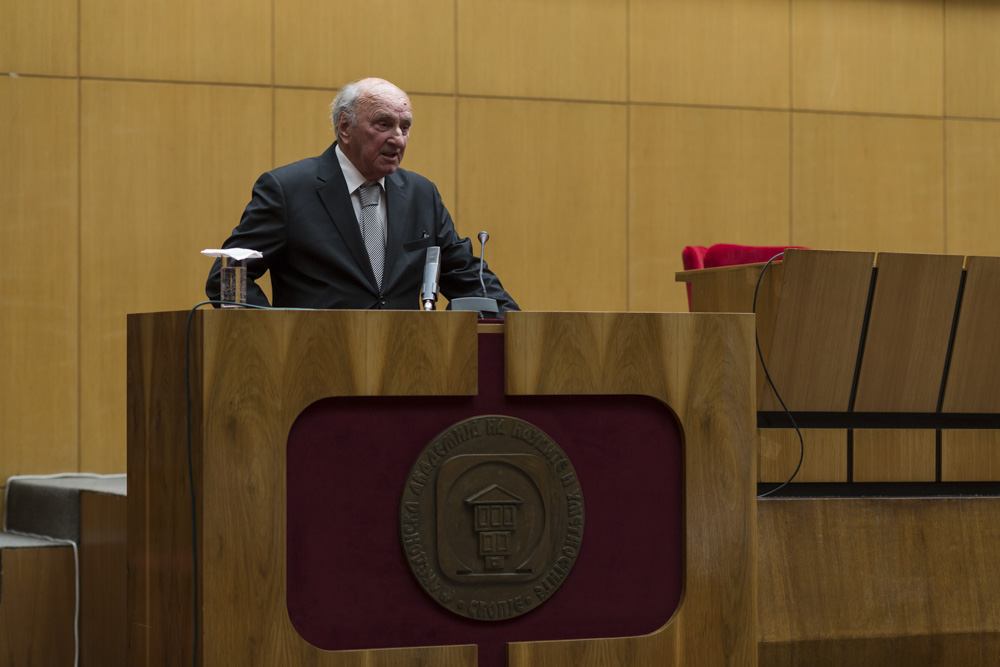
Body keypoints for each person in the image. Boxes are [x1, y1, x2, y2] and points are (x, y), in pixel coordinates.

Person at [206, 77, 518, 315]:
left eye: (405, 127)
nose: (398, 138)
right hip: (313, 364)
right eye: (384, 124)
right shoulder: (287, 190)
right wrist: (276, 335)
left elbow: (466, 275)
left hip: (406, 363)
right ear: (345, 127)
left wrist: (517, 325)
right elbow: (229, 278)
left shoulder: (421, 194)